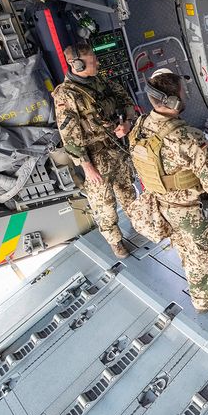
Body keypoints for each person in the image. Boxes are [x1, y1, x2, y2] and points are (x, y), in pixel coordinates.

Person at [128, 69, 208, 311]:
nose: (186, 96)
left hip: (160, 203)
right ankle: (203, 299)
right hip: (189, 210)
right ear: (173, 101)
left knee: (185, 244)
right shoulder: (187, 137)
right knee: (201, 253)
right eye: (183, 93)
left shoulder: (140, 125)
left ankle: (191, 266)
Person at [52, 41, 138, 258]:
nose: (98, 63)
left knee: (127, 190)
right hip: (94, 158)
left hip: (117, 148)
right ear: (77, 66)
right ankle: (115, 242)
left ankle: (140, 223)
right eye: (92, 61)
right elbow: (69, 135)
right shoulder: (66, 95)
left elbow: (126, 100)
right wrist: (86, 166)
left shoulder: (100, 81)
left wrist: (127, 122)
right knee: (104, 205)